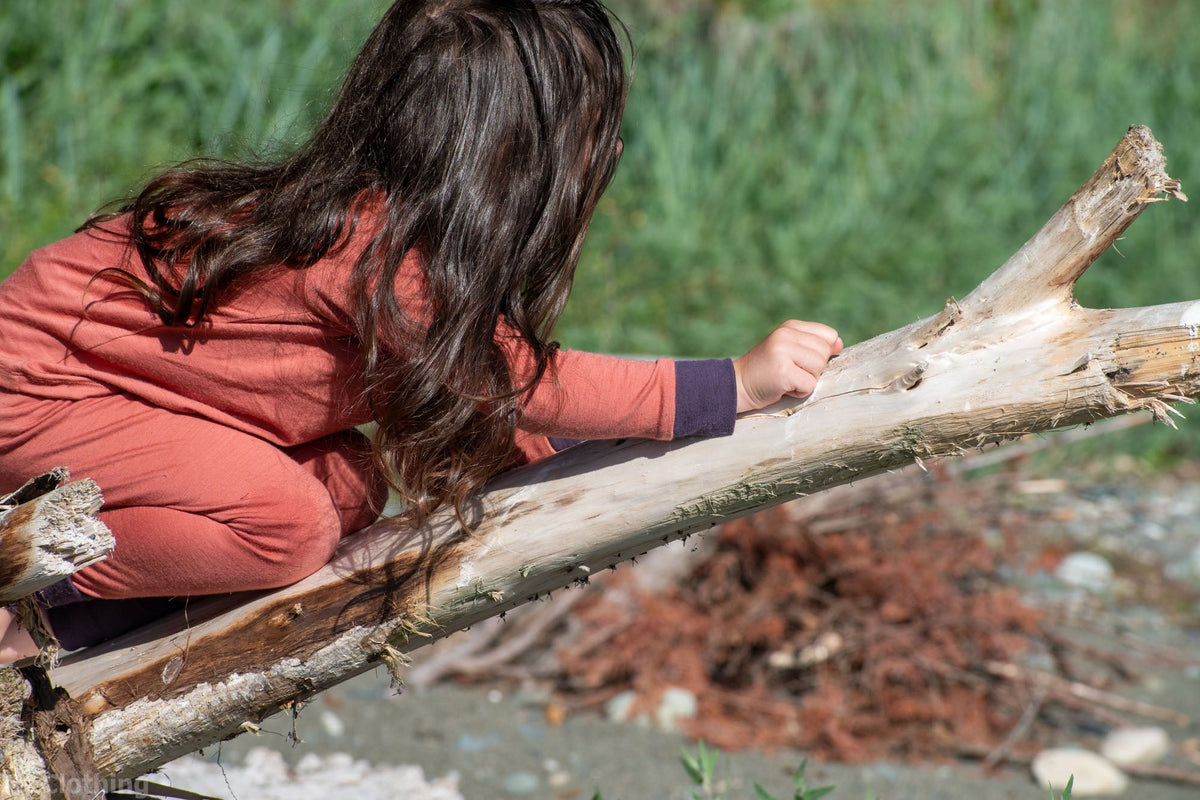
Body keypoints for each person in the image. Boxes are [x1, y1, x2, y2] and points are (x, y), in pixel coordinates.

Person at [0, 0, 841, 663]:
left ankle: (80, 616)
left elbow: (475, 399)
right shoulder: (373, 253)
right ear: (514, 163)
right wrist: (729, 385)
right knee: (287, 524)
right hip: (37, 391)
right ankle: (29, 606)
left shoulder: (381, 238)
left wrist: (547, 488)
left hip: (96, 398)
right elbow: (524, 382)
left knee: (351, 486)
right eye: (591, 136)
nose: (610, 151)